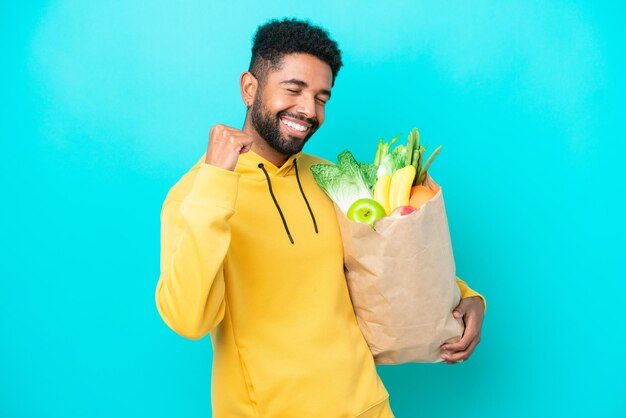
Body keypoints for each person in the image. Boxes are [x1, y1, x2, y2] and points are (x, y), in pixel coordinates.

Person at [155, 17, 486, 418]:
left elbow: (380, 257)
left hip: (367, 404)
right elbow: (188, 318)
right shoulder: (197, 192)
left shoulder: (328, 177)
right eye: (293, 90)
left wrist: (464, 295)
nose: (308, 110)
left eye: (322, 98)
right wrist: (216, 182)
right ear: (249, 88)